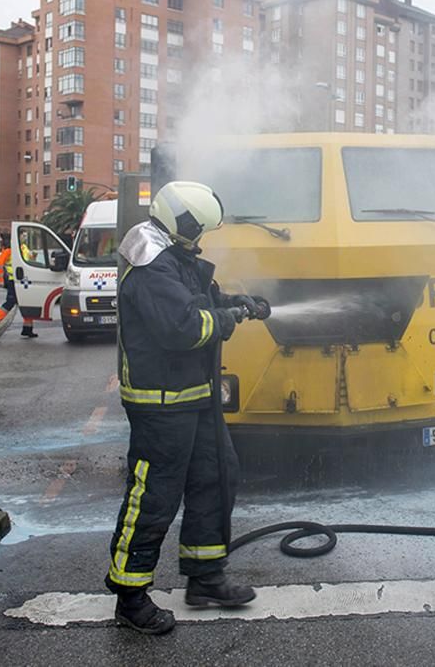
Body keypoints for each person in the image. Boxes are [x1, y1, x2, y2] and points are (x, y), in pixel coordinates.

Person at [106, 181, 271, 635]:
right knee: (154, 497)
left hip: (193, 396)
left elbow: (195, 300)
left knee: (216, 477)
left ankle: (206, 578)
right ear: (184, 224)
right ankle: (130, 596)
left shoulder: (172, 255)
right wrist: (227, 319)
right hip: (160, 404)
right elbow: (184, 327)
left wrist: (233, 303)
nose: (202, 240)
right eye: (200, 230)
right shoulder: (151, 264)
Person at [0, 237, 38, 338]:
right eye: (22, 236)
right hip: (13, 280)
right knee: (10, 302)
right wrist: (1, 280)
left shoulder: (24, 248)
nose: (24, 237)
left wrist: (34, 256)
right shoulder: (9, 250)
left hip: (23, 280)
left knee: (26, 302)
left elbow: (30, 260)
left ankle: (27, 328)